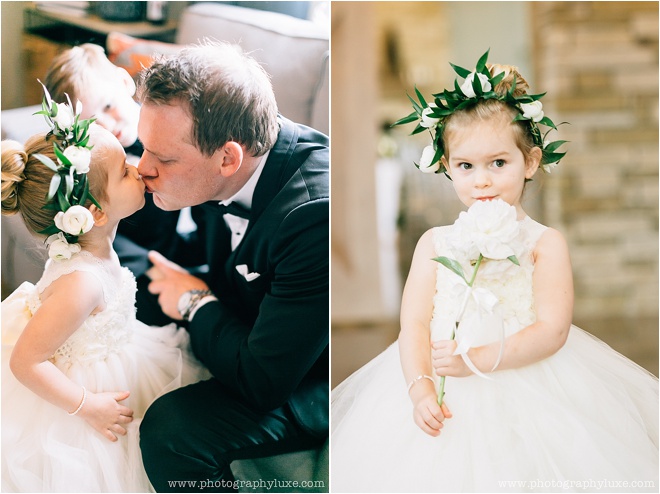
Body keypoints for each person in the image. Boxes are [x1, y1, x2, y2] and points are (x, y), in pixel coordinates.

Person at [331, 51, 658, 492]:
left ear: (531, 161)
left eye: (498, 163)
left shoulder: (545, 243)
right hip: (441, 379)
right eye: (466, 166)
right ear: (447, 167)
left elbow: (552, 330)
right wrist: (421, 388)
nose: (481, 181)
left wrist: (477, 360)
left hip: (530, 382)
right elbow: (414, 323)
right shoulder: (434, 243)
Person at [133, 41, 329, 492]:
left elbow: (265, 382)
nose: (142, 168)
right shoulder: (222, 161)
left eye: (162, 159)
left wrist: (193, 301)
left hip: (309, 374)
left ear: (228, 158)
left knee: (173, 432)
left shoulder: (313, 216)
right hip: (249, 310)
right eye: (145, 148)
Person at [1, 88, 210, 492]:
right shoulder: (81, 283)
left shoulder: (99, 252)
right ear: (93, 212)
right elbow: (26, 362)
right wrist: (88, 406)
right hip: (85, 396)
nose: (138, 169)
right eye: (123, 171)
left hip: (123, 355)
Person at [44, 43, 183, 287]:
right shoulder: (88, 163)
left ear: (124, 82)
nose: (108, 125)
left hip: (180, 245)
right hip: (131, 262)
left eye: (108, 106)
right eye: (92, 124)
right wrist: (148, 266)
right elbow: (88, 232)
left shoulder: (170, 129)